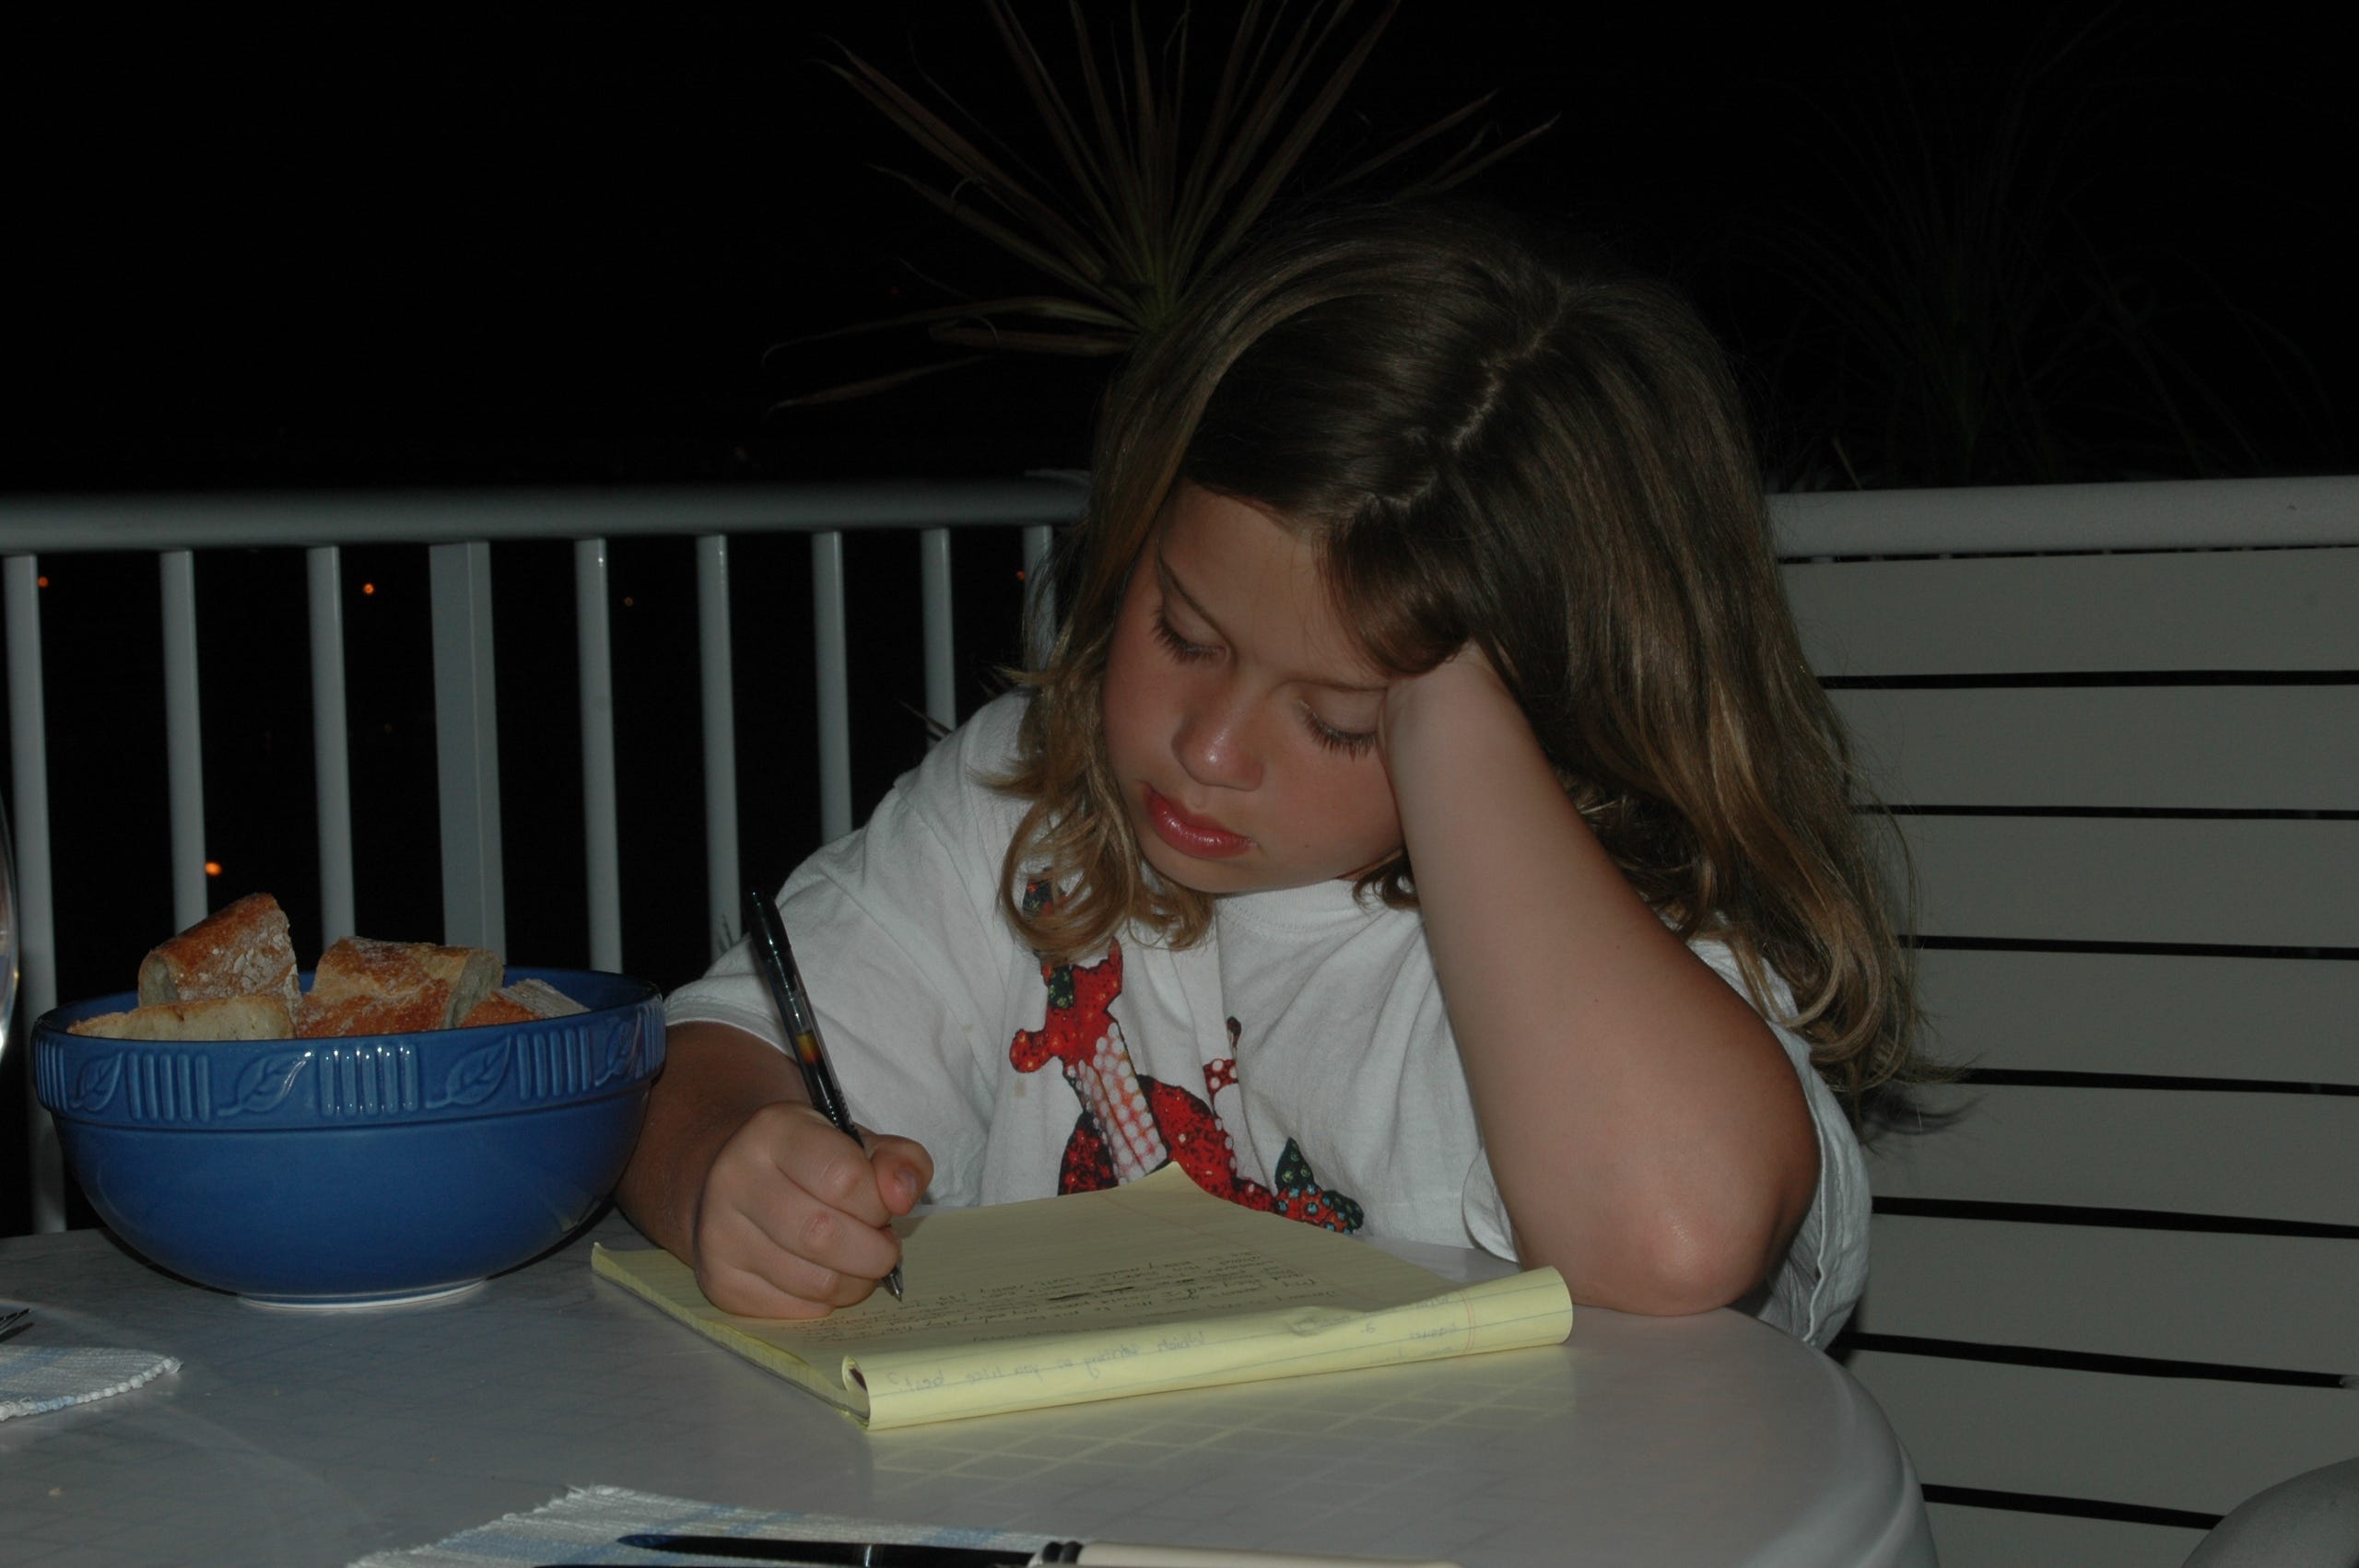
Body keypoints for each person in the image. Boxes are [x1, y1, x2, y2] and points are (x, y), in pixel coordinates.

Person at [616, 200, 1920, 1349]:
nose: (1209, 748)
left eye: (1343, 720)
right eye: (1185, 633)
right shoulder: (1029, 805)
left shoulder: (1620, 957)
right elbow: (690, 1062)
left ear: (1552, 724)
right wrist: (732, 1172)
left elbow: (1676, 1232)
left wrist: (1450, 712)